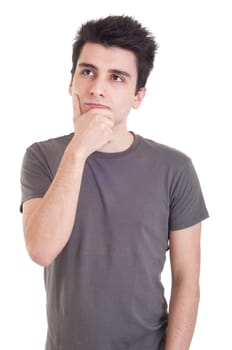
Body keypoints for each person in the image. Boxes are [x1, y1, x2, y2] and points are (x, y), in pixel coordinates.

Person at [20, 15, 209, 350]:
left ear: (138, 96)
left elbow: (186, 279)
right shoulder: (43, 157)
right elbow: (41, 249)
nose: (97, 88)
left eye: (117, 77)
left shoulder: (175, 169)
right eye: (87, 71)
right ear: (71, 82)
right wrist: (79, 148)